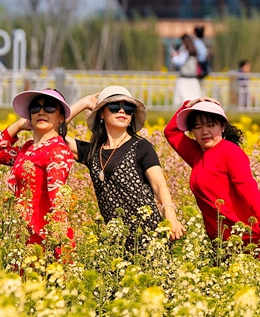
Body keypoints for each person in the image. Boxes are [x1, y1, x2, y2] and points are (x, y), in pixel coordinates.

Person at [66, 86, 185, 251]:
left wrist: (170, 214)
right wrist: (84, 103)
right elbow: (54, 133)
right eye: (114, 106)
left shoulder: (141, 147)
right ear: (101, 113)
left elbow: (159, 185)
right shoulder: (92, 152)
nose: (122, 110)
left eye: (128, 108)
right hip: (117, 244)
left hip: (149, 237)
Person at [0, 88, 92, 260]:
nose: (41, 112)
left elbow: (57, 200)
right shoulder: (27, 149)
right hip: (24, 236)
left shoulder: (57, 150)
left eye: (50, 107)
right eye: (35, 108)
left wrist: (58, 246)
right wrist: (19, 125)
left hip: (44, 238)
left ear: (61, 117)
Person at [163, 97, 260, 251]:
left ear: (222, 126)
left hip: (247, 238)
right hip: (220, 243)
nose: (204, 131)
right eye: (197, 127)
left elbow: (247, 187)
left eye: (210, 125)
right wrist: (189, 104)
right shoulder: (196, 154)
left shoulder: (231, 152)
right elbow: (171, 132)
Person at [171, 34, 203, 108]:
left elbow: (178, 61)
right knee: (194, 101)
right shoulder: (194, 52)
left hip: (184, 80)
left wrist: (174, 56)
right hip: (193, 79)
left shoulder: (185, 52)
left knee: (184, 102)